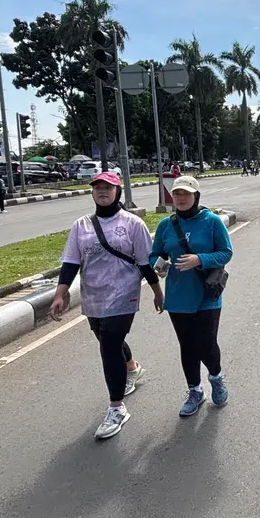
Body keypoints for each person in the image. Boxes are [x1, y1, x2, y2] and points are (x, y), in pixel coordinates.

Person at [49, 172, 164, 440]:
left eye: (108, 188)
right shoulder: (81, 226)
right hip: (93, 296)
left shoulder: (133, 223)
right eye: (98, 187)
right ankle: (132, 368)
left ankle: (116, 408)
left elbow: (145, 262)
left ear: (117, 192)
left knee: (109, 346)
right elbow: (71, 263)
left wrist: (157, 291)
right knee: (106, 338)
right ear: (92, 192)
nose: (102, 191)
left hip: (124, 294)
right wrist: (59, 295)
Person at [149, 175, 234, 416]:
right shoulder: (166, 225)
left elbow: (226, 252)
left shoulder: (211, 221)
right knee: (187, 345)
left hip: (207, 293)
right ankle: (195, 390)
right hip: (178, 295)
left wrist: (200, 259)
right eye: (177, 193)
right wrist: (160, 265)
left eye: (186, 193)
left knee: (207, 344)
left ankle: (216, 377)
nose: (181, 198)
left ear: (196, 196)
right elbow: (154, 254)